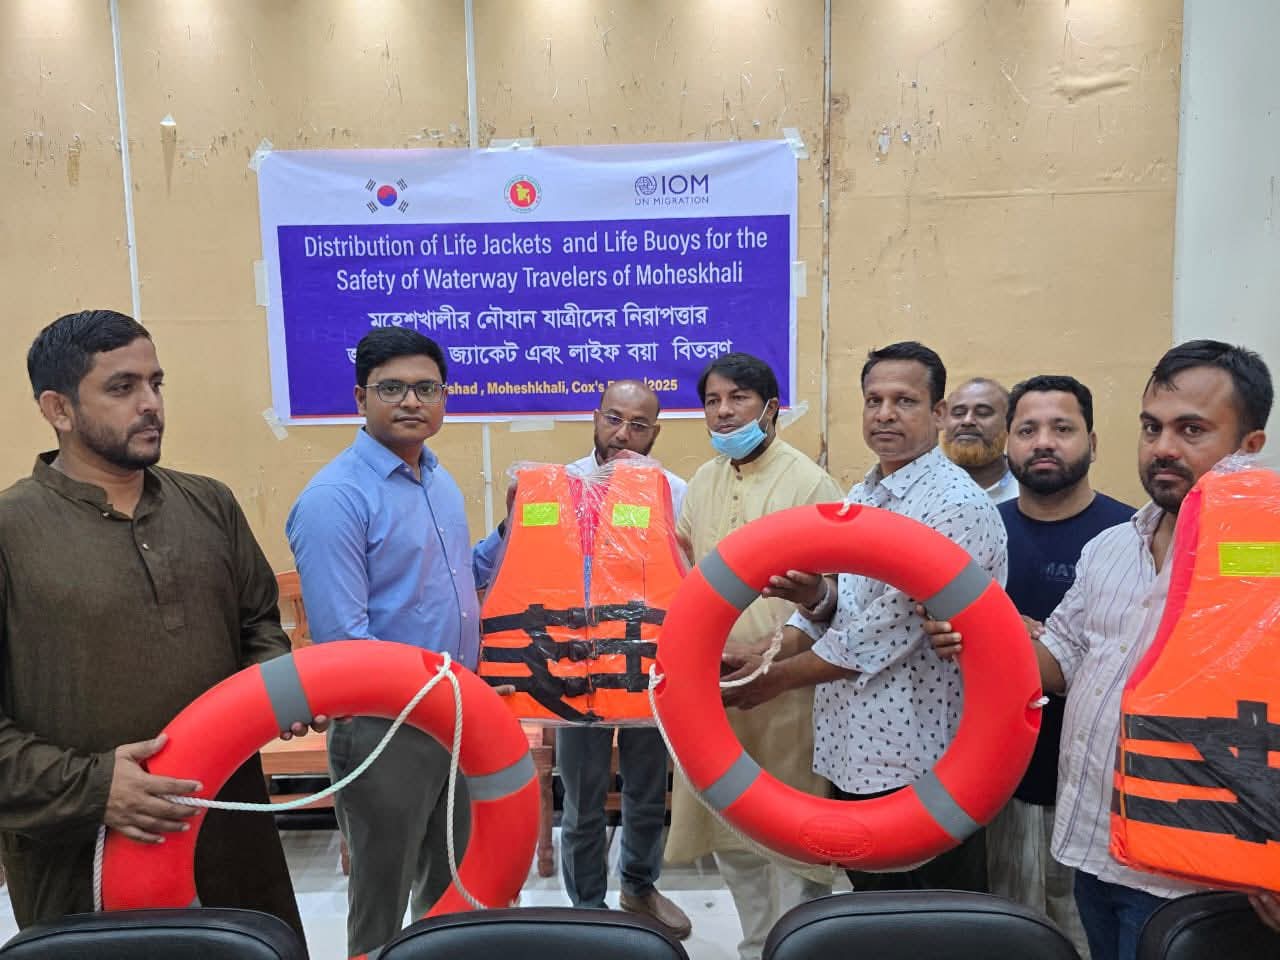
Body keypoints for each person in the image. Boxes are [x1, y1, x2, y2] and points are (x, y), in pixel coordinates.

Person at [928, 340, 1280, 960]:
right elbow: (1058, 662)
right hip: (1094, 852)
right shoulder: (1111, 549)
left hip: (1199, 877)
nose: (1163, 447)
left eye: (1192, 429)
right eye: (1152, 427)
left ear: (1248, 446)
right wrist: (980, 632)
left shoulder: (1268, 561)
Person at [0, 310, 304, 938]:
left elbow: (257, 623)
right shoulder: (11, 532)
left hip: (231, 835)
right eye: (122, 387)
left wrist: (276, 687)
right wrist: (94, 787)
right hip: (81, 857)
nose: (150, 404)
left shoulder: (209, 504)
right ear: (58, 409)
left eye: (156, 383)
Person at [723, 341, 1006, 892]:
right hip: (853, 748)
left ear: (938, 413)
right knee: (870, 909)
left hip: (924, 760)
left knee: (929, 915)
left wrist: (774, 678)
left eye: (904, 401)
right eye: (874, 400)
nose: (885, 414)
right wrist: (807, 607)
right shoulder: (865, 494)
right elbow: (848, 606)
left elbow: (886, 632)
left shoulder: (953, 505)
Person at [472, 380, 691, 938]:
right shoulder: (550, 487)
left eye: (638, 425)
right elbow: (500, 565)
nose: (623, 434)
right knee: (581, 801)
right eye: (613, 418)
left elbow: (688, 577)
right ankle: (587, 910)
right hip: (567, 672)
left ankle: (639, 888)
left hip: (644, 668)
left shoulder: (672, 491)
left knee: (647, 793)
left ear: (655, 432)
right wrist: (512, 519)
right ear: (595, 418)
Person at [287, 328, 478, 957]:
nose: (412, 401)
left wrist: (513, 528)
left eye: (427, 388)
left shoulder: (437, 480)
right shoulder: (336, 499)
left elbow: (460, 580)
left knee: (450, 886)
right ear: (360, 398)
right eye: (392, 388)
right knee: (382, 897)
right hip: (385, 728)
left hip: (458, 715)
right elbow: (345, 645)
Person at [665, 353, 842, 960]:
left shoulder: (809, 483)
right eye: (713, 401)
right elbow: (687, 575)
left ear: (770, 408)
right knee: (731, 831)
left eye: (738, 398)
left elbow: (837, 592)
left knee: (793, 833)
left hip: (788, 688)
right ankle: (753, 947)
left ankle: (796, 949)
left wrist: (771, 651)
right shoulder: (703, 481)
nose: (723, 412)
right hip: (714, 688)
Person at [985, 374, 1134, 953]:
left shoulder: (1129, 539)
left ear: (1092, 443)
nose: (1043, 441)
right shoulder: (980, 535)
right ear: (1008, 443)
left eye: (1062, 428)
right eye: (1027, 430)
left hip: (1098, 798)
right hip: (996, 788)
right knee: (1007, 943)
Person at [941, 377, 1017, 503]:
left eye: (983, 413)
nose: (967, 421)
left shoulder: (1027, 488)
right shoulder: (923, 486)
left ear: (1009, 423)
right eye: (958, 413)